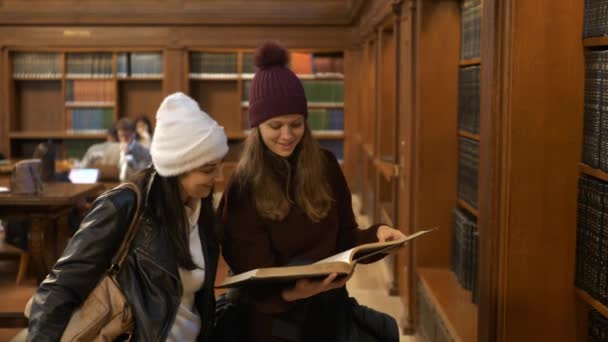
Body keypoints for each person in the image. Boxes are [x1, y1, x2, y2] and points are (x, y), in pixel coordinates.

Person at [218, 41, 405, 341]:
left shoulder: (327, 165)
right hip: (272, 326)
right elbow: (249, 281)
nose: (287, 135)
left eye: (296, 123)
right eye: (275, 125)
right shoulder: (243, 186)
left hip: (329, 314)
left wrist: (377, 238)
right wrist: (295, 293)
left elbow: (345, 240)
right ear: (256, 127)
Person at [27, 92, 229, 341]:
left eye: (220, 164)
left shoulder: (203, 211)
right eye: (209, 168)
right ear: (178, 166)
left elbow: (199, 301)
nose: (219, 176)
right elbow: (59, 287)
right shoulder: (124, 204)